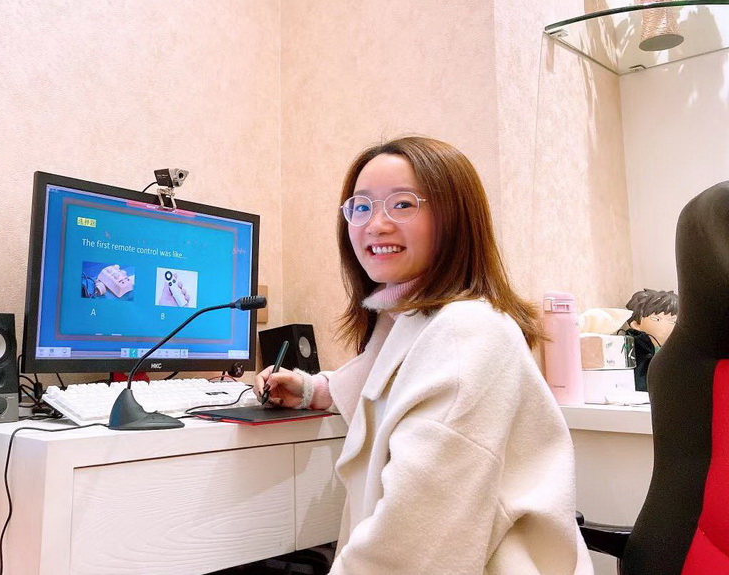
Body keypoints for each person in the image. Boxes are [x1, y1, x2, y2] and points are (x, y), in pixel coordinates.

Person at [253, 137, 592, 574]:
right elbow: (385, 380)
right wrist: (312, 390)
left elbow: (409, 549)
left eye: (402, 205)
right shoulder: (415, 319)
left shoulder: (466, 334)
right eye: (361, 207)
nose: (376, 224)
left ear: (454, 219)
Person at [624, 288, 679, 391]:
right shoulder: (636, 350)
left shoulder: (678, 351)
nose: (666, 326)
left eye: (673, 321)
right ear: (636, 324)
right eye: (656, 319)